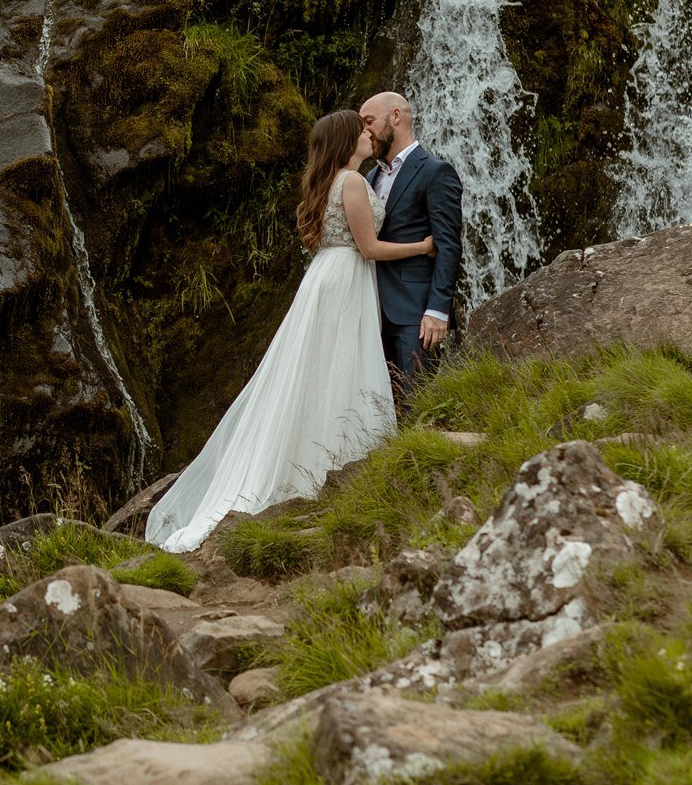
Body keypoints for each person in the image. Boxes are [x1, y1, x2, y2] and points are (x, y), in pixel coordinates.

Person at [146, 111, 434, 553]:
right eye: (360, 130)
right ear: (344, 139)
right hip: (345, 278)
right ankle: (333, 469)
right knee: (340, 365)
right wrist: (423, 246)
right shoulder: (352, 182)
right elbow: (370, 247)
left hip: (326, 277)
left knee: (317, 370)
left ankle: (322, 469)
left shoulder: (332, 182)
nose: (368, 133)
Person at [359, 91, 464, 386]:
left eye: (369, 122)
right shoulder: (368, 178)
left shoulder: (436, 172)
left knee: (415, 406)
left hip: (415, 316)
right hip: (371, 313)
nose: (365, 133)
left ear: (395, 116)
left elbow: (449, 246)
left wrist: (437, 310)